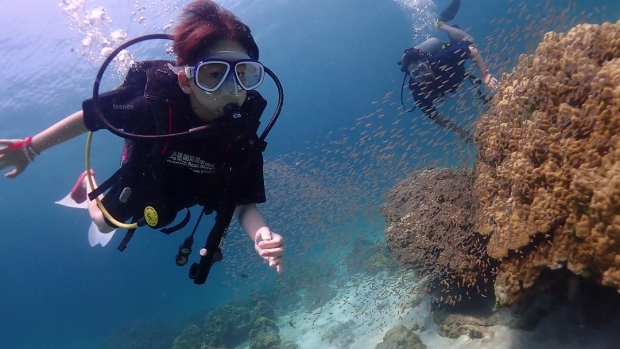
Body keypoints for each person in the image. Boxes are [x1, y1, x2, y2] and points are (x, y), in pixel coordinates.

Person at [0, 0, 283, 280]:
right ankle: (87, 179)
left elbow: (243, 201)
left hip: (193, 188)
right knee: (104, 223)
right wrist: (30, 148)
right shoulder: (151, 104)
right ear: (185, 81)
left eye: (244, 74)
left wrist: (260, 234)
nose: (232, 90)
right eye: (214, 75)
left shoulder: (243, 129)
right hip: (147, 172)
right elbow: (91, 117)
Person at [397, 0, 499, 143]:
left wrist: (486, 75)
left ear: (427, 63)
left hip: (452, 58)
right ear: (411, 78)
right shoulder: (416, 89)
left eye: (422, 69)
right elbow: (434, 116)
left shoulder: (440, 59)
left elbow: (472, 51)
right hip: (454, 75)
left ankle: (442, 24)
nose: (422, 76)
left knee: (470, 41)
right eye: (416, 74)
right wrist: (460, 131)